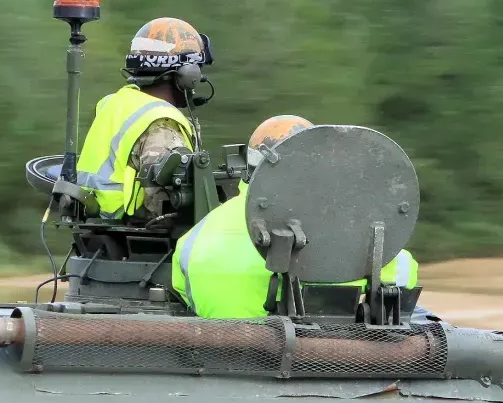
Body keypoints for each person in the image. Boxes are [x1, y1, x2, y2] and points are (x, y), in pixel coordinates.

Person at [172, 115, 418, 318]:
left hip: (229, 362)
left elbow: (185, 295)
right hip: (325, 363)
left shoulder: (193, 242)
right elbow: (403, 280)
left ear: (247, 167)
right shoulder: (366, 240)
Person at [73, 17, 212, 219]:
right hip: (132, 236)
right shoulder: (161, 123)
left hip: (94, 226)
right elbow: (162, 208)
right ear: (187, 75)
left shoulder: (114, 103)